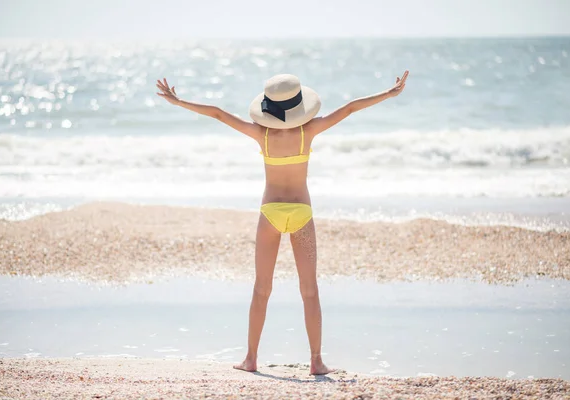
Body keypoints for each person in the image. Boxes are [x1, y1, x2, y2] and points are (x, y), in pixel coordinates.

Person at [156, 71, 409, 375]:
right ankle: (316, 360)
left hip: (270, 215)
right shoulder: (309, 131)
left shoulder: (261, 135)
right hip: (301, 214)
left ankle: (250, 359)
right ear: (299, 107)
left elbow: (218, 114)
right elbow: (351, 107)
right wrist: (388, 93)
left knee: (261, 289)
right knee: (310, 290)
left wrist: (178, 101)